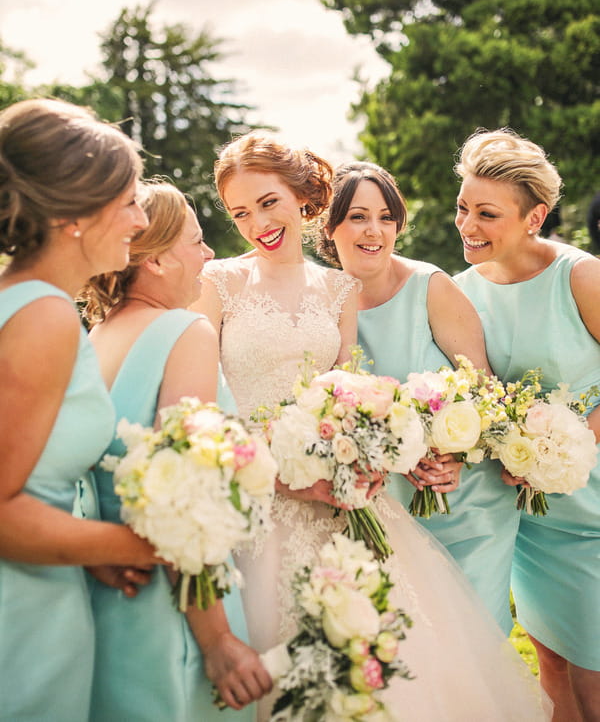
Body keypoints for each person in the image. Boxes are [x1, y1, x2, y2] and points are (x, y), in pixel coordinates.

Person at [194, 132, 549, 722]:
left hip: (334, 499)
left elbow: (346, 391)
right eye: (240, 212)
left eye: (269, 202)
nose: (258, 223)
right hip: (251, 496)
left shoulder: (339, 289)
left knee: (375, 660)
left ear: (303, 198)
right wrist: (268, 469)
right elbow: (197, 394)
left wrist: (361, 451)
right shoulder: (220, 284)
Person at [81, 180, 272, 721]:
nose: (209, 254)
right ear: (159, 259)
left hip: (112, 595)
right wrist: (217, 642)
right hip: (179, 604)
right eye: (196, 240)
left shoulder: (97, 336)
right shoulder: (185, 330)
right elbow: (186, 495)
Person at [0, 98, 162, 722]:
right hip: (21, 618)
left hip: (45, 585)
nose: (142, 220)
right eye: (128, 202)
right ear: (73, 214)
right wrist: (147, 545)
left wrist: (88, 548)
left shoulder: (29, 302)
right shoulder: (42, 316)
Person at [317, 160, 522, 636]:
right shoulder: (322, 303)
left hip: (468, 506)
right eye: (358, 217)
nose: (375, 230)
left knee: (477, 645)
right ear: (330, 227)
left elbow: (484, 387)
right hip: (388, 514)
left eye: (386, 217)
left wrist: (458, 454)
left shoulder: (429, 286)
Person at [453, 128, 600, 722]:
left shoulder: (582, 277)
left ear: (534, 215)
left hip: (593, 512)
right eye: (463, 207)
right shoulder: (459, 293)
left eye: (487, 213)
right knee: (554, 674)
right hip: (525, 521)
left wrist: (576, 441)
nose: (468, 224)